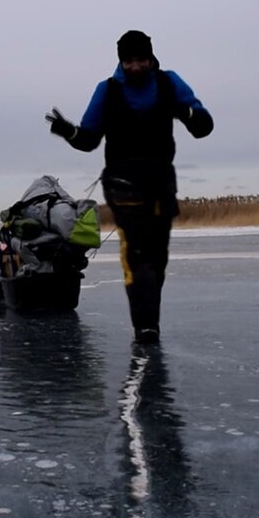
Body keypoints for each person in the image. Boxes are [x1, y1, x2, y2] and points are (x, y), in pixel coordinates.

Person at [45, 30, 213, 344]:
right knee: (137, 254)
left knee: (157, 257)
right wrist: (68, 131)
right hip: (122, 181)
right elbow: (89, 140)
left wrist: (186, 112)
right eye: (129, 61)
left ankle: (149, 320)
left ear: (151, 58)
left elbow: (204, 126)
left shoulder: (168, 83)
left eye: (141, 60)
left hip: (160, 181)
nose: (135, 66)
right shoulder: (108, 90)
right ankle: (146, 327)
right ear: (121, 61)